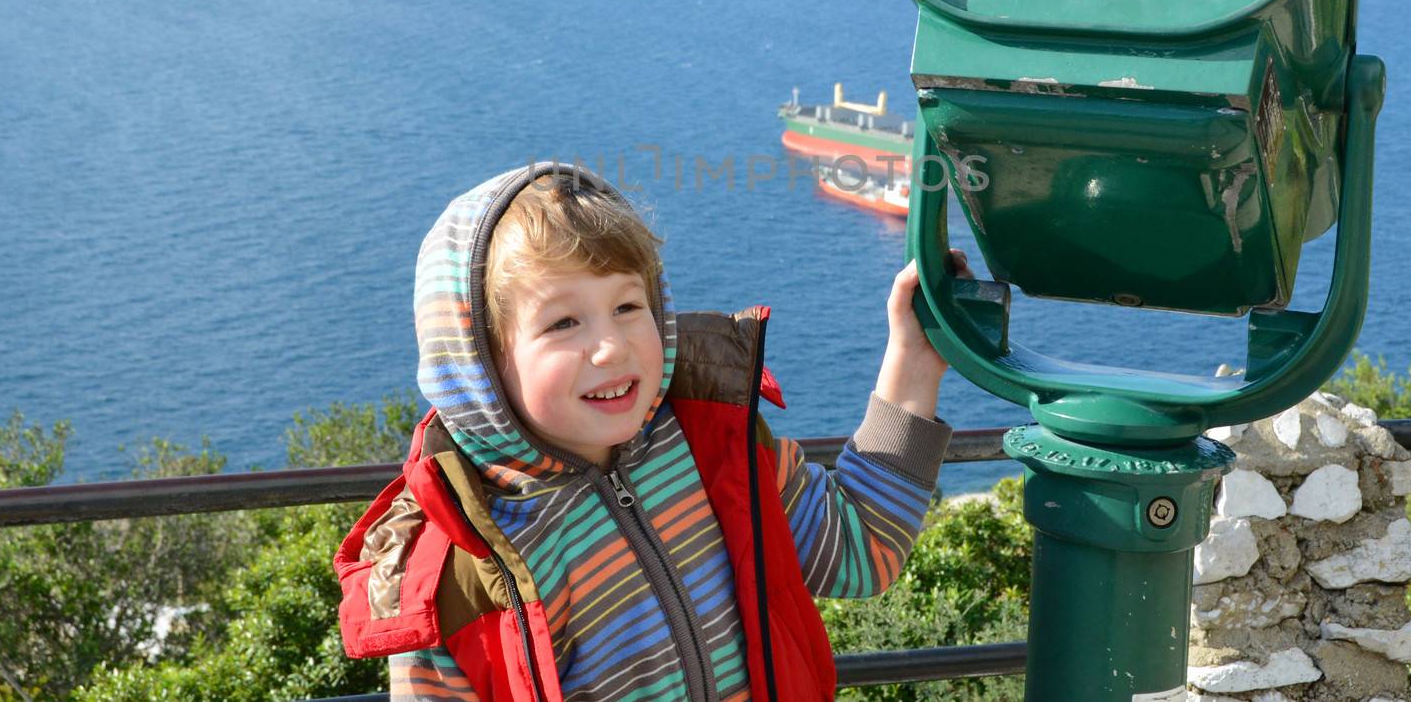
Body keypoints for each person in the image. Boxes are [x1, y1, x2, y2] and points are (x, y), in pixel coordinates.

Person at [336, 162, 964, 702]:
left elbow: (861, 553)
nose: (610, 347)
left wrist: (912, 360)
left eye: (627, 307)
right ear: (479, 364)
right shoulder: (456, 571)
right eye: (562, 323)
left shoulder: (716, 443)